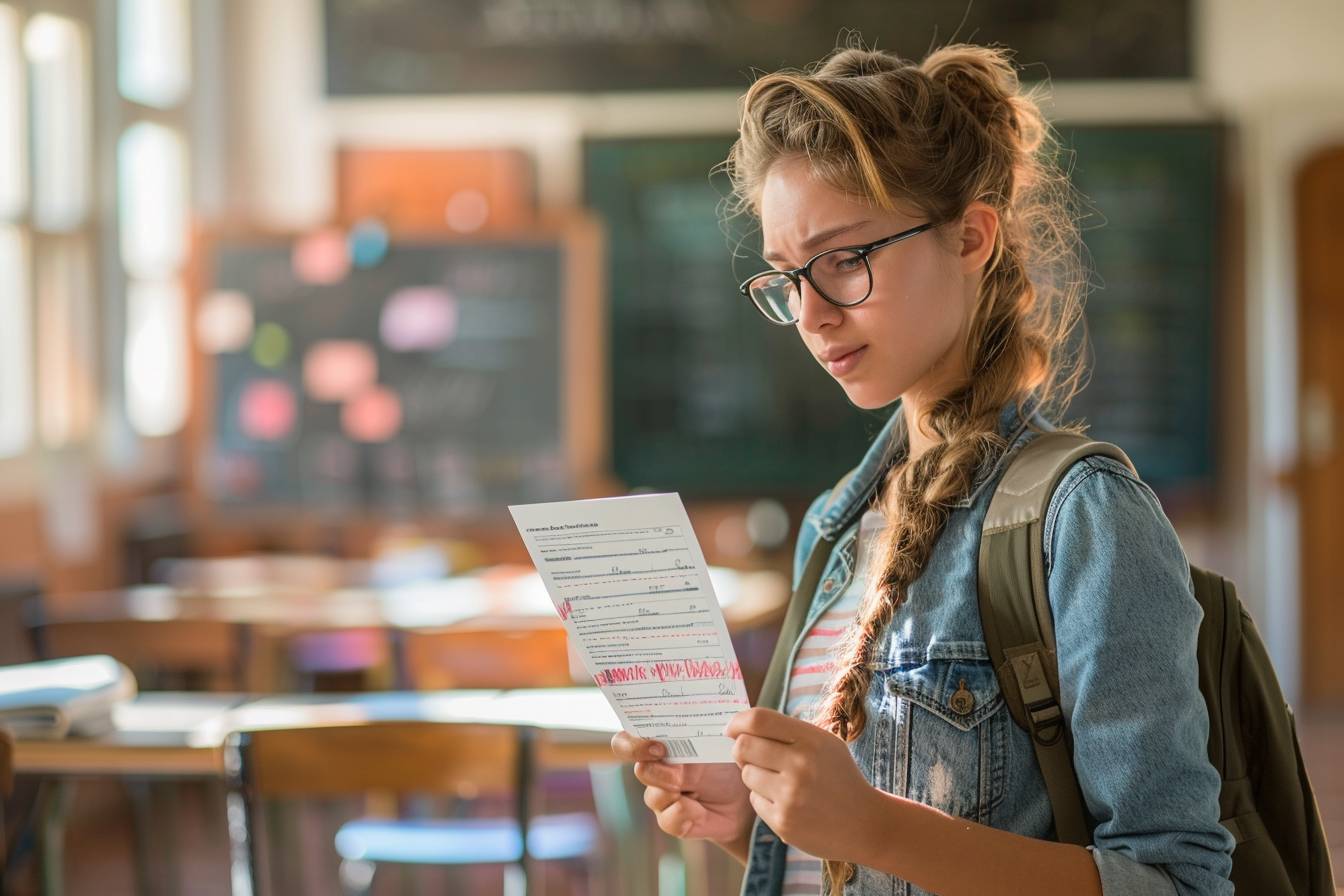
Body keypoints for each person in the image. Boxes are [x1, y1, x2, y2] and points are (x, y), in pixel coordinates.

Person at [609, 39, 1235, 896]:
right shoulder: (835, 524)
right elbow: (860, 864)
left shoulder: (1082, 516)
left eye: (846, 260)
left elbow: (1179, 882)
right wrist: (753, 823)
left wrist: (871, 826)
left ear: (972, 236)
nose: (813, 316)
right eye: (788, 279)